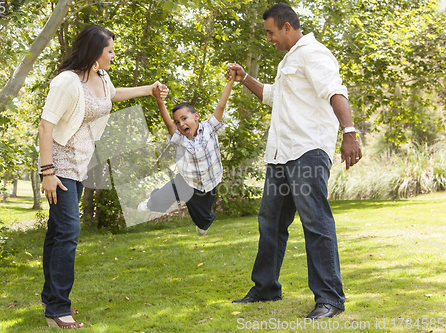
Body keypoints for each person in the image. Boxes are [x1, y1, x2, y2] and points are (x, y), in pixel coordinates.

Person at [227, 4, 362, 319]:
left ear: (287, 26)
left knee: (316, 222)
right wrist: (245, 77)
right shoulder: (290, 60)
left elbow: (335, 92)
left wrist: (350, 132)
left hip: (307, 153)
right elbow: (273, 95)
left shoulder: (313, 53)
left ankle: (330, 299)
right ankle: (265, 288)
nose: (269, 38)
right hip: (281, 155)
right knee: (271, 223)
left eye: (271, 32)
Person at [38, 25, 168, 328]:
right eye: (110, 50)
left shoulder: (101, 77)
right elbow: (45, 127)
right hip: (59, 165)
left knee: (57, 232)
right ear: (96, 51)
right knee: (69, 232)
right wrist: (47, 173)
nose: (113, 54)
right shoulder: (66, 82)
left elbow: (113, 95)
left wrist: (149, 89)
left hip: (81, 163)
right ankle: (58, 309)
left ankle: (49, 296)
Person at [137, 70, 237, 236]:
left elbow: (221, 106)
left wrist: (230, 82)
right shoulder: (179, 138)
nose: (181, 124)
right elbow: (168, 123)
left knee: (203, 221)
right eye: (178, 122)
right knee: (159, 199)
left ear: (196, 117)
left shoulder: (210, 128)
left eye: (184, 118)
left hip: (207, 185)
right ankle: (152, 201)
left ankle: (203, 223)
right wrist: (160, 101)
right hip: (185, 181)